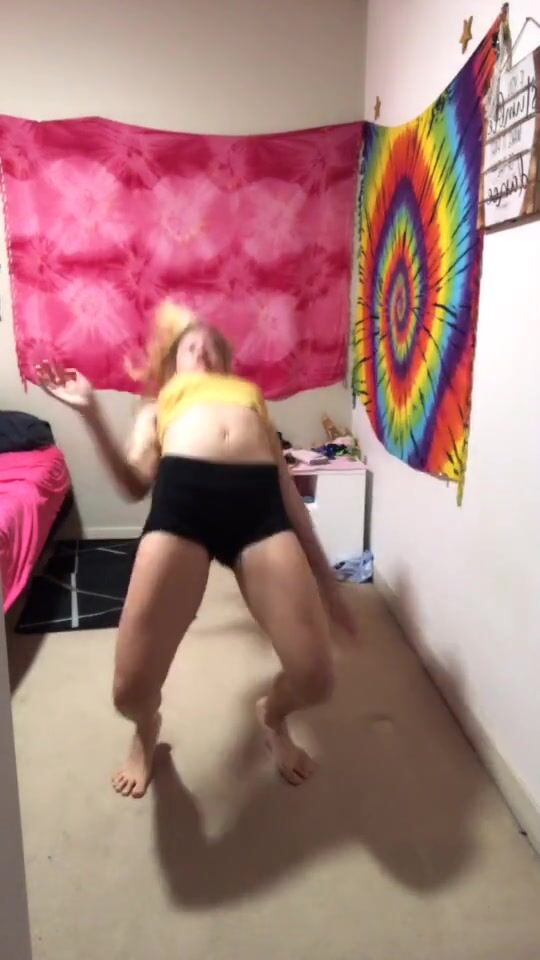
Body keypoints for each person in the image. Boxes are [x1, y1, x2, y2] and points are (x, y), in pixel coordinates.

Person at [36, 302, 357, 798]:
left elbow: (289, 494)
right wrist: (92, 414)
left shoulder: (250, 398)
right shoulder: (160, 404)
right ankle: (146, 728)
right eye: (190, 347)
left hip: (259, 515)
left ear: (227, 363)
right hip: (181, 511)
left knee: (316, 678)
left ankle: (272, 718)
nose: (202, 351)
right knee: (128, 692)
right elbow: (133, 484)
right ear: (173, 364)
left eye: (212, 347)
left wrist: (327, 583)